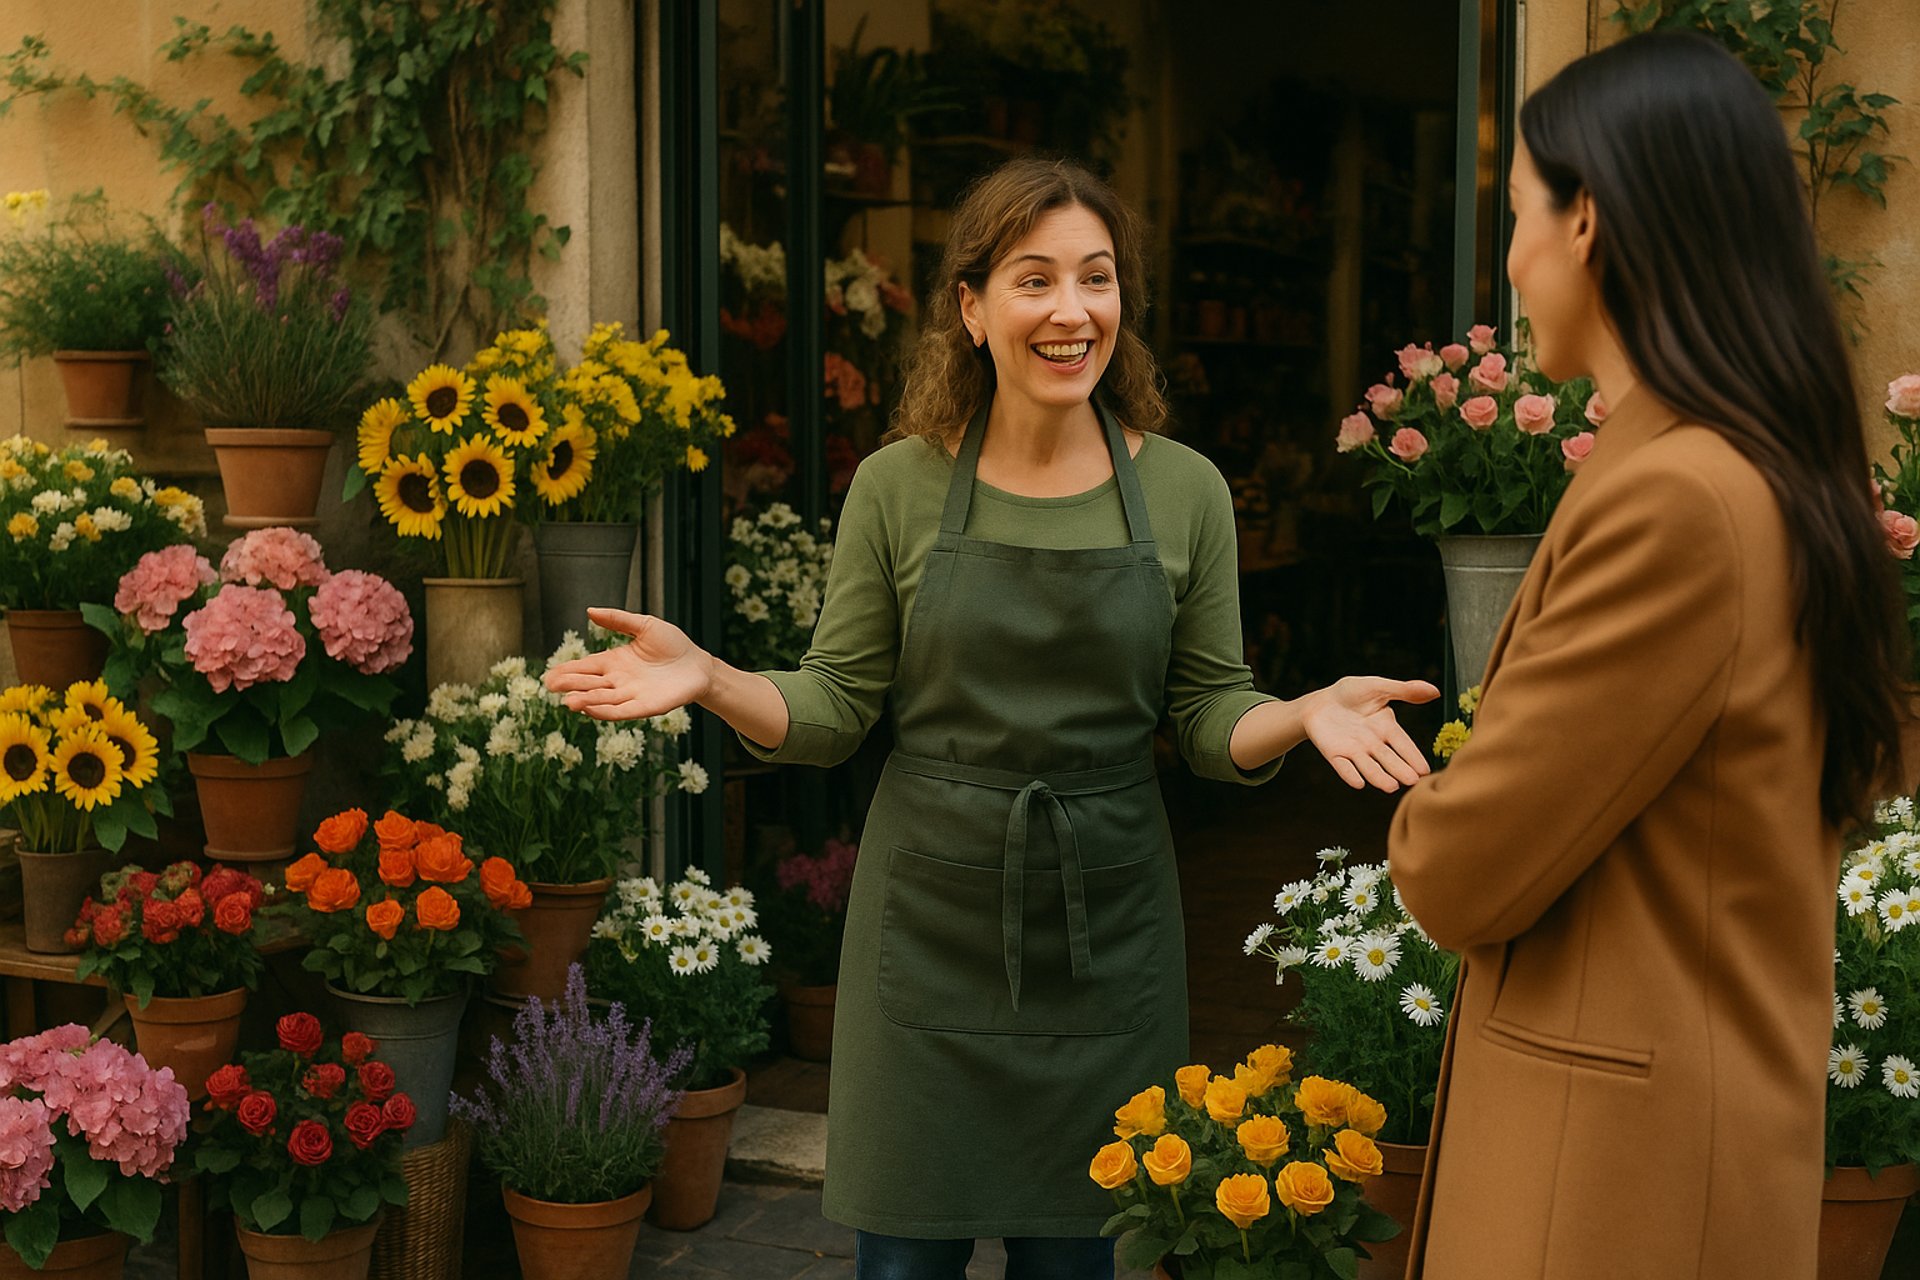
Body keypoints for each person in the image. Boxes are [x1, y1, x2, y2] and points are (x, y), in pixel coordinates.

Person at [547, 155, 1436, 1279]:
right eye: (1035, 279)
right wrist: (713, 675)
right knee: (902, 1266)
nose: (1072, 311)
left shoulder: (1187, 492)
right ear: (971, 308)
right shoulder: (898, 486)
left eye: (1097, 279)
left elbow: (1210, 716)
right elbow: (829, 709)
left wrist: (1301, 710)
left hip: (1109, 932)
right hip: (927, 928)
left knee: (1076, 1263)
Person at [1387, 32, 1908, 1280]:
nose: (1508, 260)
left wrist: (1425, 802)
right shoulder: (1746, 461)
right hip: (1659, 1146)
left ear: (1589, 224)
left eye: (1519, 213)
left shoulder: (1680, 495)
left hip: (1613, 1184)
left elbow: (1460, 871)